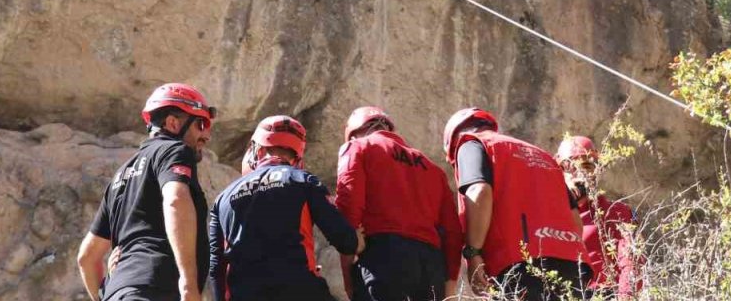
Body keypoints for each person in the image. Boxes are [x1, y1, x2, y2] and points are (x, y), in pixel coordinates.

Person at [76, 83, 216, 301]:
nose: (206, 135)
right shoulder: (173, 151)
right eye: (201, 124)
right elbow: (176, 200)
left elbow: (87, 257)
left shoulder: (120, 176)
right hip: (156, 288)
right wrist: (188, 283)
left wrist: (108, 295)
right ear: (172, 123)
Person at [209, 116, 365, 301]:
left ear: (257, 150)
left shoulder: (223, 199)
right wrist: (357, 240)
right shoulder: (302, 180)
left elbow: (216, 267)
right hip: (300, 290)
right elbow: (344, 240)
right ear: (297, 155)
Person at [443, 108, 587, 301]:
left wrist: (473, 252)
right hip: (573, 267)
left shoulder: (471, 143)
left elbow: (479, 191)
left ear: (453, 141)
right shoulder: (544, 156)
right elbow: (575, 221)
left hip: (519, 266)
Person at [336, 106, 463, 301]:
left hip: (384, 257)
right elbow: (453, 232)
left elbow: (348, 204)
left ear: (353, 134)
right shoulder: (433, 169)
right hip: (430, 266)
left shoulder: (358, 147)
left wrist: (348, 276)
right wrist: (450, 285)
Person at [557, 136, 642, 299]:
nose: (578, 174)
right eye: (569, 166)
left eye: (587, 166)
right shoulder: (548, 213)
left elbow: (632, 264)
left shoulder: (615, 212)